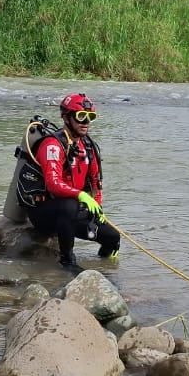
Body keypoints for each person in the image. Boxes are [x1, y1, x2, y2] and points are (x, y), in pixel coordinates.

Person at [27, 93, 121, 273]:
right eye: (80, 117)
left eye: (90, 117)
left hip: (73, 211)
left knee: (113, 238)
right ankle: (67, 260)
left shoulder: (89, 147)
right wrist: (81, 195)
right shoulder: (52, 146)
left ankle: (105, 270)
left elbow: (96, 183)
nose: (85, 122)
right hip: (44, 211)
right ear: (66, 117)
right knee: (69, 205)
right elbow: (53, 183)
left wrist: (97, 208)